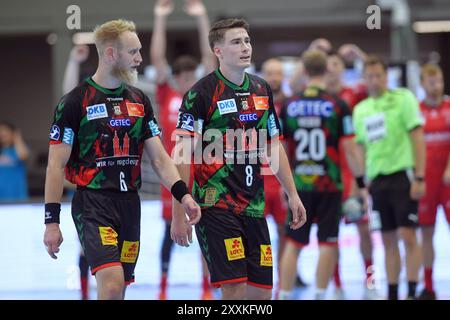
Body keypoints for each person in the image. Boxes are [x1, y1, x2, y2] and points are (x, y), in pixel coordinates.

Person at [43, 19, 201, 300]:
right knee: (112, 283)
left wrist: (184, 195)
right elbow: (55, 165)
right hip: (93, 204)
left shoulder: (139, 100)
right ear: (111, 54)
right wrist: (51, 221)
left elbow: (160, 159)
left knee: (119, 289)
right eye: (133, 52)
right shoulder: (75, 102)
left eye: (140, 51)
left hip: (130, 205)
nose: (140, 59)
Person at [171, 18, 307, 300]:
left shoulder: (261, 89)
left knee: (261, 294)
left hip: (254, 206)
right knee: (234, 289)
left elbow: (273, 145)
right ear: (218, 51)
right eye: (236, 42)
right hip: (215, 205)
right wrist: (178, 212)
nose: (245, 47)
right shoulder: (200, 94)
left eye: (247, 41)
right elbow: (182, 154)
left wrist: (292, 193)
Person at [278, 49, 368, 300]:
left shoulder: (289, 105)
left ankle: (284, 295)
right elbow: (350, 148)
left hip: (299, 186)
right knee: (328, 242)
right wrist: (361, 183)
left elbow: (280, 149)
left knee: (294, 243)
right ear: (327, 70)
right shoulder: (338, 105)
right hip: (329, 184)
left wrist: (284, 186)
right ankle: (319, 295)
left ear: (304, 71)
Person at [150, 0, 216, 300]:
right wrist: (159, 17)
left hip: (203, 169)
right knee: (169, 229)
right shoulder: (168, 93)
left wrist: (203, 17)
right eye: (183, 76)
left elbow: (209, 57)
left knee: (204, 228)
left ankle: (205, 288)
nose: (188, 80)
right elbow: (157, 57)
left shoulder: (203, 91)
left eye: (192, 75)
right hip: (173, 172)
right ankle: (163, 288)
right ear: (176, 79)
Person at [352, 55, 425, 300]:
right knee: (388, 239)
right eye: (369, 76)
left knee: (408, 236)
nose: (374, 80)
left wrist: (420, 177)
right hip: (378, 182)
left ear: (386, 76)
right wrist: (363, 184)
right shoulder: (361, 110)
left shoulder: (403, 99)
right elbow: (360, 148)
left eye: (378, 75)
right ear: (364, 79)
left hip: (403, 176)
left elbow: (417, 137)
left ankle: (412, 290)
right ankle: (392, 292)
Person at [325, 52, 379, 300]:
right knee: (331, 233)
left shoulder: (354, 94)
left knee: (364, 230)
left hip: (353, 175)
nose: (332, 69)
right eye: (327, 65)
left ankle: (370, 279)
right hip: (330, 178)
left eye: (336, 64)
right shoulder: (318, 97)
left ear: (342, 69)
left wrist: (358, 54)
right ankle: (336, 284)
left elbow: (374, 77)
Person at [260, 58, 307, 290]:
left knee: (284, 231)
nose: (275, 78)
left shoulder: (290, 105)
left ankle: (284, 279)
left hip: (281, 181)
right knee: (255, 234)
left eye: (279, 73)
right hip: (257, 181)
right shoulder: (254, 103)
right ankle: (259, 281)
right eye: (270, 73)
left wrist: (289, 187)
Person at [62, 44, 93, 300]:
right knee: (85, 248)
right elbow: (68, 93)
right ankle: (85, 295)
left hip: (117, 193)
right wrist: (73, 61)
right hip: (87, 193)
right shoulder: (78, 114)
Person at [417, 64, 450, 300]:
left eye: (438, 80)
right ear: (422, 84)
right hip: (426, 183)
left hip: (448, 182)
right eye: (430, 81)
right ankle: (428, 286)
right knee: (426, 234)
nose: (435, 85)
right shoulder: (415, 112)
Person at [0, 122, 29, 202]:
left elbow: (23, 155)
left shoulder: (18, 148)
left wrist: (17, 137)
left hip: (16, 194)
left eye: (5, 130)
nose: (2, 133)